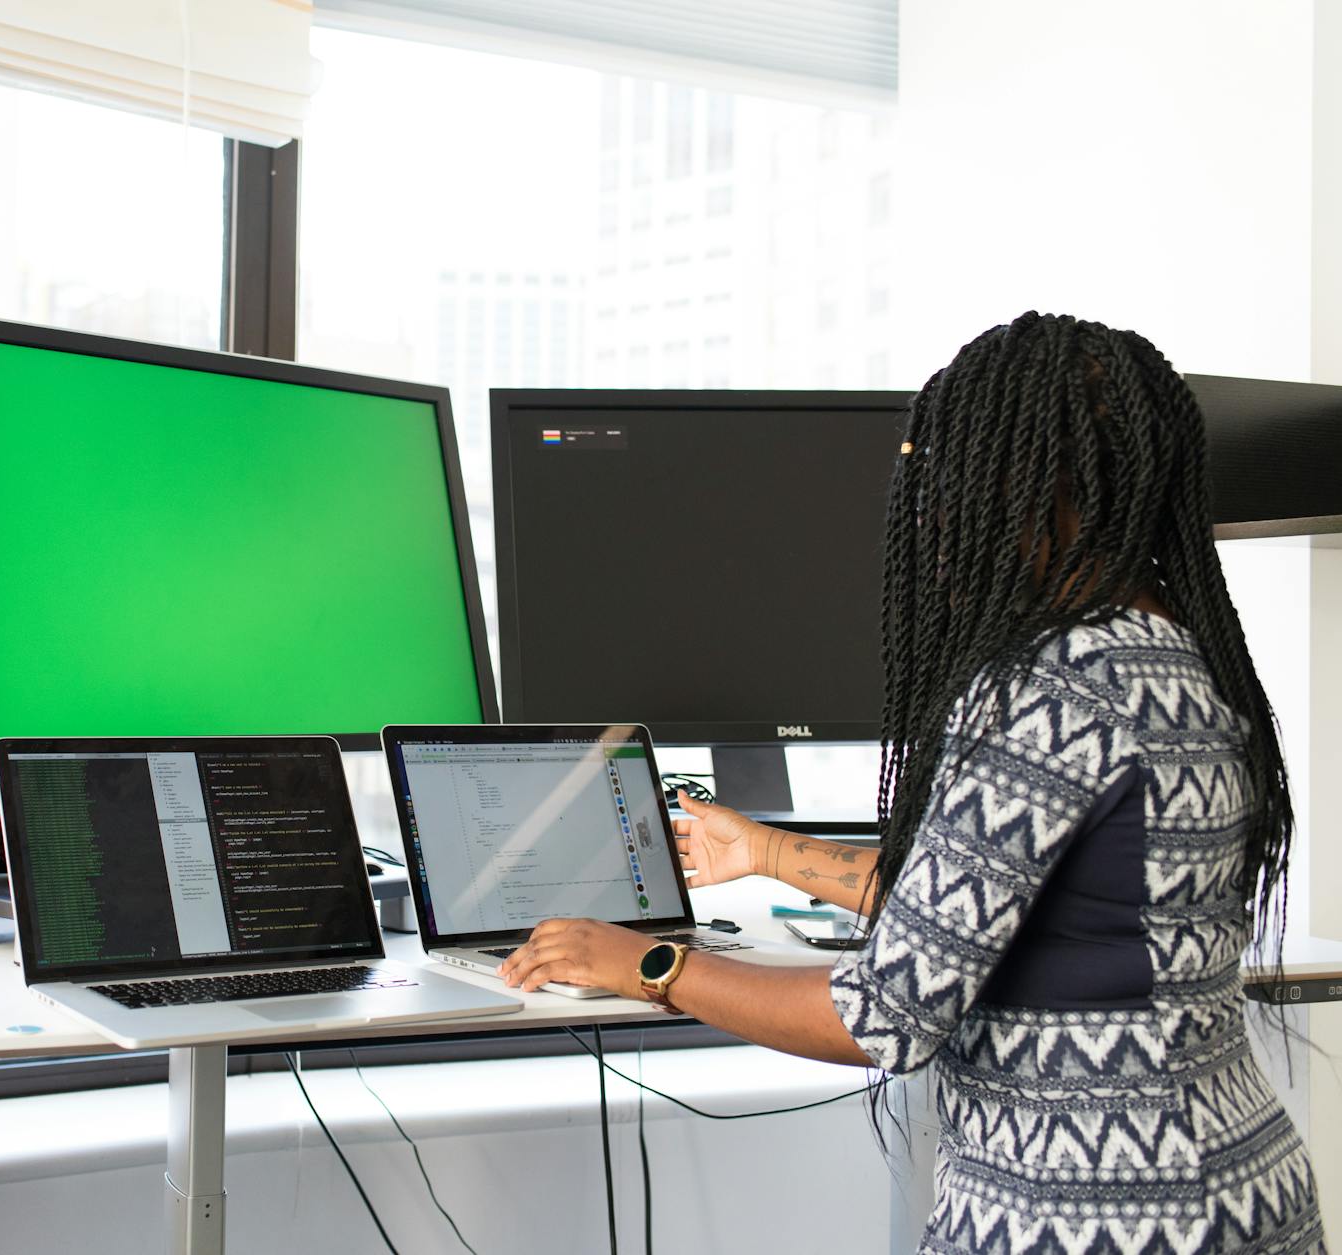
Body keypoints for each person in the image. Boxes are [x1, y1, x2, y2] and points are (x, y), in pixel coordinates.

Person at [498, 312, 1327, 1253]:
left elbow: (883, 1015)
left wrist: (653, 965)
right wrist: (768, 851)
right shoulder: (1185, 656)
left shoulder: (1046, 687)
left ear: (1015, 483)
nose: (932, 504)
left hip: (1092, 1214)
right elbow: (1018, 905)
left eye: (947, 471)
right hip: (1244, 1193)